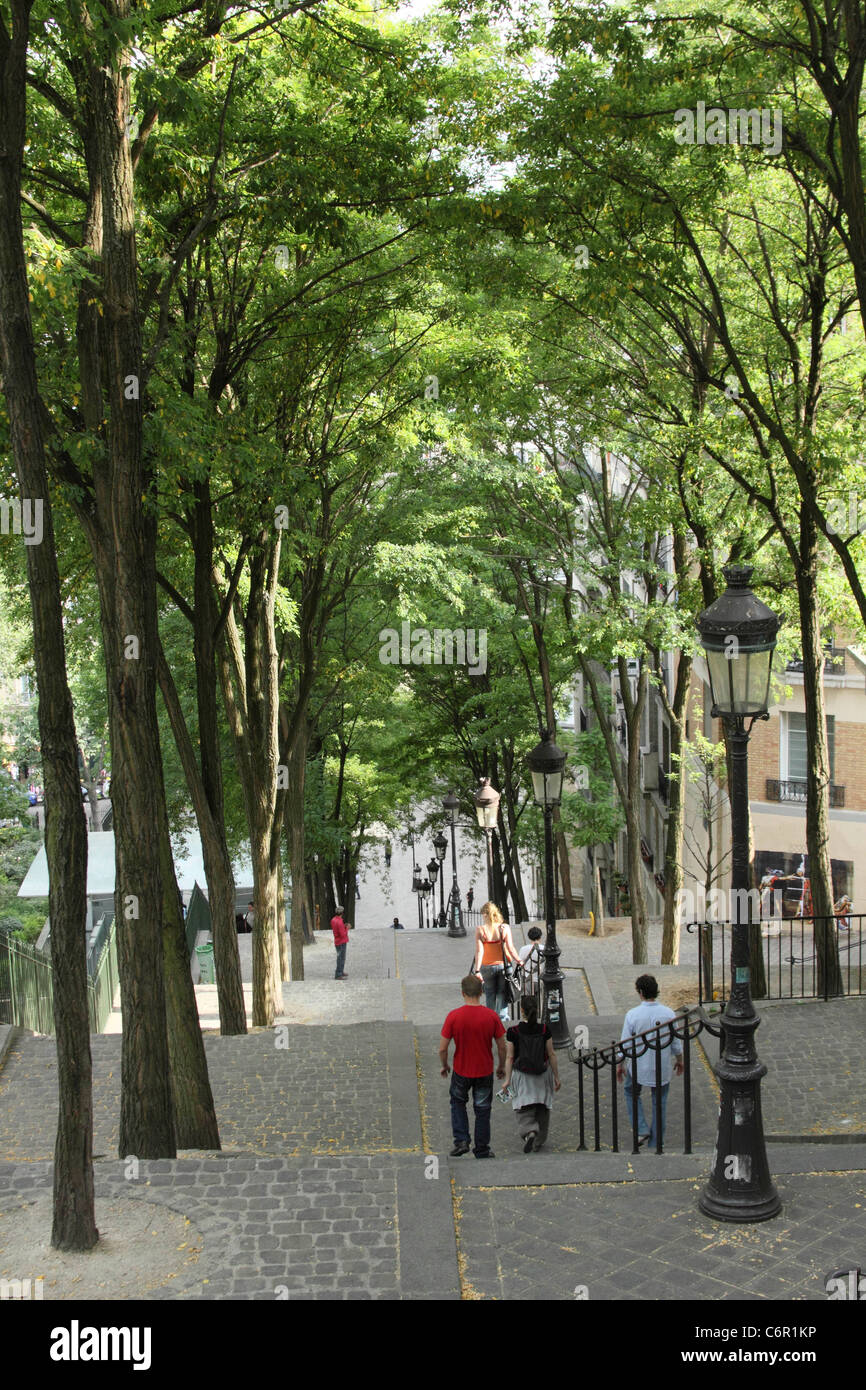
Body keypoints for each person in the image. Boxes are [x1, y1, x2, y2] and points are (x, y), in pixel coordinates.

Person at [439, 975, 506, 1158]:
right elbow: (502, 1045)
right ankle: (482, 1148)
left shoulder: (454, 1016)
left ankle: (461, 1140)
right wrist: (501, 1066)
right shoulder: (491, 1016)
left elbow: (442, 1048)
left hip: (461, 1069)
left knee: (458, 1102)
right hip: (484, 1070)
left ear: (462, 993)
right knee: (483, 1109)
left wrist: (445, 1066)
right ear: (481, 992)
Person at [616, 975, 684, 1149]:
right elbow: (676, 1042)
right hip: (662, 1066)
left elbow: (625, 1043)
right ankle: (656, 1143)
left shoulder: (633, 1015)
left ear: (640, 992)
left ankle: (641, 1128)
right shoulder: (669, 1013)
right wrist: (680, 1060)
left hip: (638, 1065)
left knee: (631, 1093)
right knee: (659, 1103)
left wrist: (620, 1063)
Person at [503, 994, 561, 1152]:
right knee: (542, 1107)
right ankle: (539, 1140)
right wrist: (556, 1076)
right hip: (543, 1074)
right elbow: (551, 1054)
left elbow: (509, 1057)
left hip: (522, 1075)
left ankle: (530, 1130)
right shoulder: (544, 1029)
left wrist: (507, 1080)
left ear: (521, 1010)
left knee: (523, 1108)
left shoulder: (513, 1031)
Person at [473, 901, 521, 1023]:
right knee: (502, 992)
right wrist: (519, 960)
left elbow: (479, 952)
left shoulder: (481, 930)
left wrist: (477, 970)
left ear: (485, 914)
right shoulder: (504, 928)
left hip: (486, 966)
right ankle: (503, 1018)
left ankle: (490, 1018)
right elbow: (511, 947)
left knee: (489, 993)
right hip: (503, 966)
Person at [331, 905, 349, 979]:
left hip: (337, 941)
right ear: (342, 913)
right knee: (341, 958)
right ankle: (338, 974)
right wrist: (347, 928)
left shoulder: (333, 920)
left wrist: (343, 926)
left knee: (340, 957)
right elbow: (343, 934)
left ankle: (340, 971)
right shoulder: (339, 921)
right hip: (341, 942)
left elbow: (337, 929)